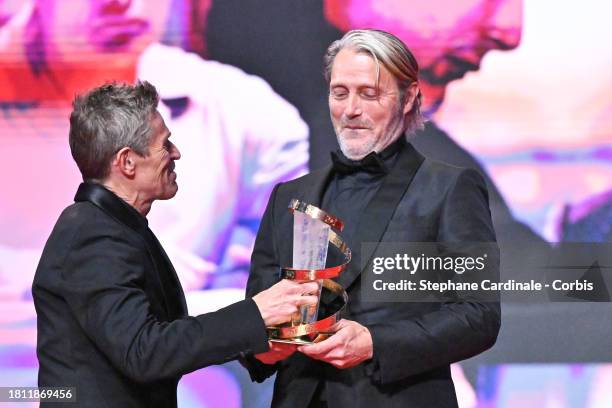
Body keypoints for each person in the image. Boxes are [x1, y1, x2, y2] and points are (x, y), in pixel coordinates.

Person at [243, 29, 500, 407]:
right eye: (340, 92)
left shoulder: (450, 188)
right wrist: (263, 346)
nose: (350, 110)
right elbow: (259, 312)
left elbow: (479, 317)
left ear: (409, 97)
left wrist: (374, 343)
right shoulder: (289, 196)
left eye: (369, 93)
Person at [32, 81, 318, 407]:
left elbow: (159, 338)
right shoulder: (92, 235)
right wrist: (256, 314)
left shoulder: (116, 228)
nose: (176, 153)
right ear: (127, 162)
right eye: (165, 144)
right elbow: (144, 352)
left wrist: (256, 341)